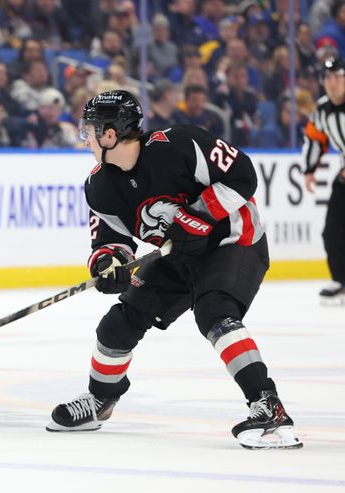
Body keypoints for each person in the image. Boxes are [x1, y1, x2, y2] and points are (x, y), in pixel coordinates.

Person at [47, 90, 302, 450]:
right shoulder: (100, 186)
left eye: (89, 130)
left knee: (215, 311)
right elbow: (109, 240)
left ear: (110, 134)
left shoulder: (180, 145)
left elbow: (243, 175)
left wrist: (197, 216)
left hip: (234, 242)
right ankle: (100, 400)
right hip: (176, 255)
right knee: (119, 322)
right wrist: (109, 264)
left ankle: (267, 405)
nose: (84, 138)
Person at [302, 57, 345, 305]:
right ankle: (339, 279)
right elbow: (315, 138)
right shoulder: (323, 108)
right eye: (327, 78)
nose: (332, 83)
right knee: (333, 230)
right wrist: (310, 169)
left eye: (338, 77)